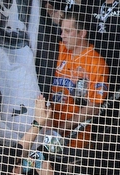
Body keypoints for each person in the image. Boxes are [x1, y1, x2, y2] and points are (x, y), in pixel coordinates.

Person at [46, 12, 108, 149]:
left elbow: (94, 108)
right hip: (46, 130)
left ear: (82, 34)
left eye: (68, 31)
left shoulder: (96, 63)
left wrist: (61, 128)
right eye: (62, 30)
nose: (62, 35)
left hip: (74, 141)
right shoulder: (58, 50)